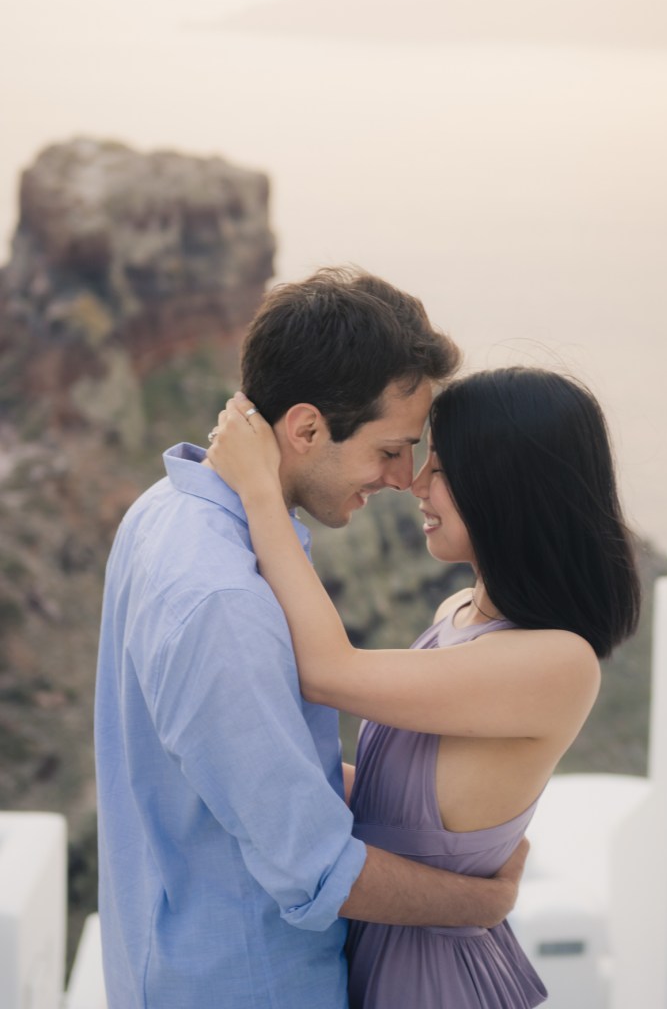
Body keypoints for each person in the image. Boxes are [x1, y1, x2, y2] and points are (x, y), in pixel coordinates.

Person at [94, 267, 529, 1009]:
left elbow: (250, 769)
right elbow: (316, 868)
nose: (402, 478)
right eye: (391, 449)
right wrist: (481, 904)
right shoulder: (223, 599)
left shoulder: (163, 507)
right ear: (305, 428)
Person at [207, 365, 642, 1009]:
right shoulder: (457, 614)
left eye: (441, 468)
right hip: (383, 950)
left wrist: (259, 492)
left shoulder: (558, 663)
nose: (415, 483)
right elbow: (394, 797)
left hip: (434, 981)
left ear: (507, 486)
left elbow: (328, 671)